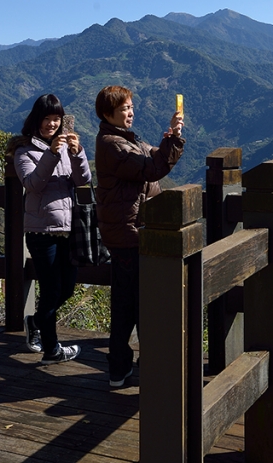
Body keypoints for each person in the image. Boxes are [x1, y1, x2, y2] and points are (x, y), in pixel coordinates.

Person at [94, 85, 185, 388]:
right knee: (133, 305)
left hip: (131, 233)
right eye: (124, 109)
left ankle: (124, 368)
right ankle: (133, 368)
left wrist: (170, 136)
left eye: (131, 107)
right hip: (128, 236)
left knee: (131, 303)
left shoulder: (124, 140)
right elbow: (152, 168)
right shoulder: (112, 144)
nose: (130, 112)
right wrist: (171, 141)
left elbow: (152, 158)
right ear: (108, 114)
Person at [11, 94, 91, 365]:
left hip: (68, 229)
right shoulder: (24, 151)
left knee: (66, 289)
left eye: (57, 118)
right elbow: (32, 184)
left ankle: (35, 321)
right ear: (37, 119)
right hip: (41, 231)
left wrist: (78, 153)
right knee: (51, 291)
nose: (52, 124)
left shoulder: (68, 147)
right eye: (47, 118)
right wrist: (52, 154)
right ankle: (52, 349)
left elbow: (83, 180)